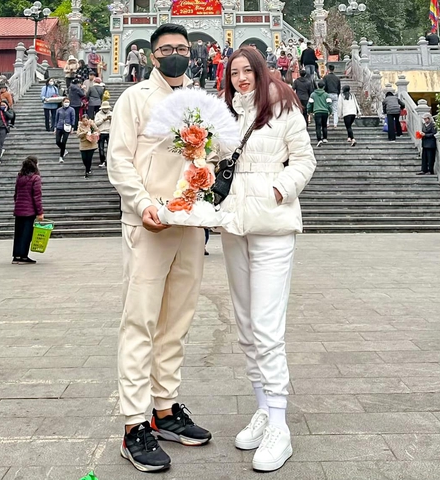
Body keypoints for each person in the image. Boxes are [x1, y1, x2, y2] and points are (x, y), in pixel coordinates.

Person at [108, 23, 212, 473]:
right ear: (152, 56)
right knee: (140, 322)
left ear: (192, 54)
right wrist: (143, 203)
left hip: (189, 223)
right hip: (148, 223)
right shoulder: (133, 100)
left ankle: (165, 408)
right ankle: (134, 425)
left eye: (182, 49)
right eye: (166, 49)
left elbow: (216, 151)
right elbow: (120, 160)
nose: (175, 55)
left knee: (177, 320)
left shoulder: (198, 101)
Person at [219, 46, 316, 472]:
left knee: (266, 324)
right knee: (244, 323)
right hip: (233, 224)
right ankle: (262, 407)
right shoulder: (223, 114)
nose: (241, 78)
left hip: (273, 225)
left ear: (261, 72)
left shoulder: (283, 108)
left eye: (247, 71)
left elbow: (305, 160)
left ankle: (280, 423)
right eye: (234, 72)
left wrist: (278, 190)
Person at [12, 156, 44, 265]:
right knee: (27, 234)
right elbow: (37, 197)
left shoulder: (19, 177)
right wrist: (40, 212)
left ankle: (16, 256)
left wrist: (17, 205)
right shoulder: (35, 178)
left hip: (19, 210)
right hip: (29, 210)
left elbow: (15, 194)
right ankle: (24, 256)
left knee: (19, 233)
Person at [308, 82, 333, 146]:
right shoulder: (326, 94)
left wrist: (309, 111)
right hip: (325, 112)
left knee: (318, 126)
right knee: (324, 125)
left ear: (318, 86)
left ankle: (319, 139)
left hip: (317, 112)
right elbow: (329, 104)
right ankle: (325, 138)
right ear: (324, 87)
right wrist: (330, 111)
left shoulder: (313, 94)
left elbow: (310, 104)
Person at [54, 98, 75, 163]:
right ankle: (64, 149)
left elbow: (73, 118)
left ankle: (61, 156)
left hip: (67, 127)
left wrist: (72, 127)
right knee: (57, 141)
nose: (67, 103)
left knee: (64, 142)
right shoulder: (59, 110)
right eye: (65, 102)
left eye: (68, 102)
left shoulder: (71, 110)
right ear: (63, 102)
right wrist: (55, 127)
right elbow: (56, 119)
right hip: (59, 126)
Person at [95, 99, 112, 168]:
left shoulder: (111, 113)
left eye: (107, 108)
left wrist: (111, 119)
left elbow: (116, 123)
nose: (106, 109)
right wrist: (103, 119)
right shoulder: (98, 114)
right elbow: (95, 123)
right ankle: (102, 161)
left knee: (110, 148)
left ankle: (109, 161)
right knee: (101, 148)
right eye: (104, 108)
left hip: (109, 132)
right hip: (101, 132)